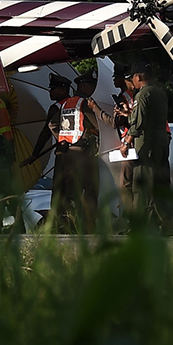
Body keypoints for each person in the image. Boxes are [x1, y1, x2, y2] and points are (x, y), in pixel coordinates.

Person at [121, 62, 173, 235]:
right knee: (161, 186)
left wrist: (127, 142)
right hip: (162, 143)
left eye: (133, 78)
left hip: (147, 145)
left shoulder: (142, 94)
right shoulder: (160, 92)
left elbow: (139, 123)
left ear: (139, 77)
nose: (132, 82)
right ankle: (167, 226)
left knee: (141, 186)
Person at [88, 63, 136, 213]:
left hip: (129, 144)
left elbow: (114, 123)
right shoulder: (135, 95)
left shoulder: (123, 97)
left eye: (116, 77)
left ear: (123, 78)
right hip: (137, 143)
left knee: (125, 185)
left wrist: (95, 108)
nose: (114, 80)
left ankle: (131, 221)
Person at [57, 71, 101, 232]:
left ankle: (69, 225)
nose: (94, 88)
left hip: (68, 152)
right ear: (83, 86)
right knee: (90, 189)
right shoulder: (84, 103)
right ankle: (88, 226)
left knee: (71, 191)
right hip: (84, 152)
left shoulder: (67, 103)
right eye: (92, 85)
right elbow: (97, 124)